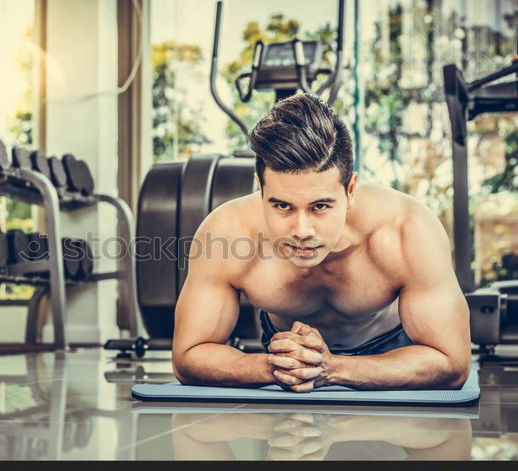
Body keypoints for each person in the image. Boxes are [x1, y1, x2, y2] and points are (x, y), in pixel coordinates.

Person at [171, 92, 471, 391]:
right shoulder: (226, 231)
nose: (302, 230)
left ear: (350, 190)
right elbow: (189, 355)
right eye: (283, 206)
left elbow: (451, 362)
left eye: (320, 207)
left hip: (395, 356)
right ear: (259, 187)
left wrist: (333, 368)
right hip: (283, 359)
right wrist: (275, 366)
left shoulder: (406, 229)